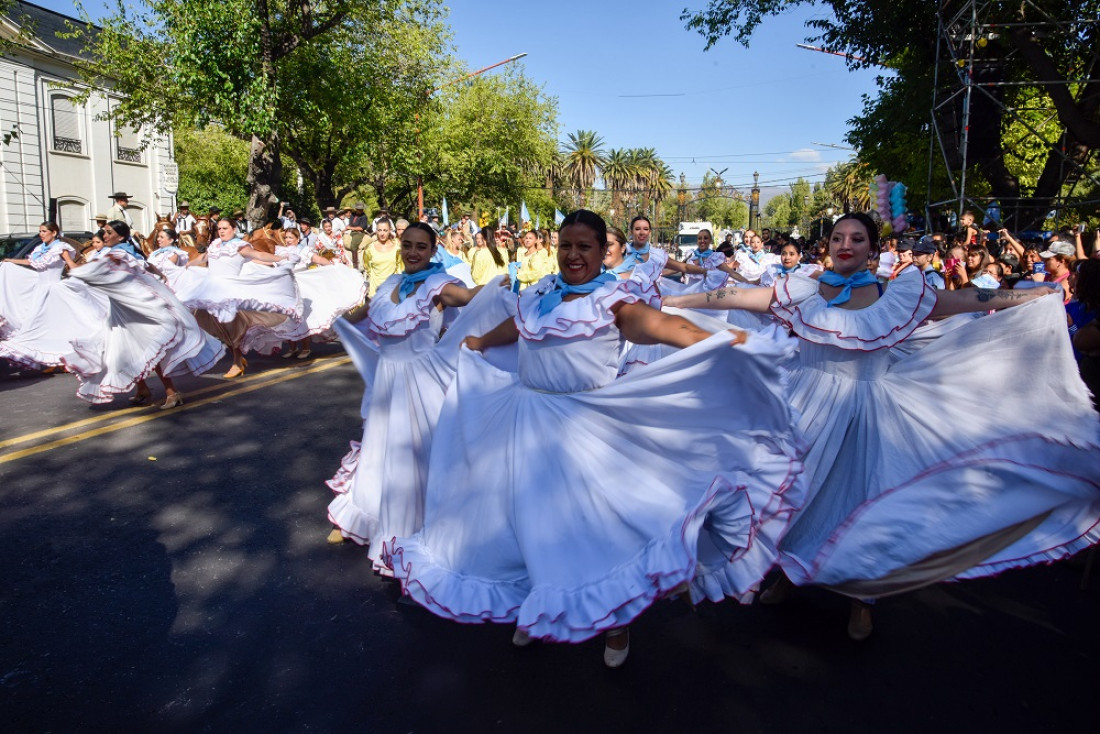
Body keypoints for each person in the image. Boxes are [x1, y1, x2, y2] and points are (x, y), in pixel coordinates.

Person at [387, 210, 805, 668]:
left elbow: (660, 326)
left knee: (596, 531)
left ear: (601, 251)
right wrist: (482, 341)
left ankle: (615, 622)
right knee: (525, 522)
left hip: (586, 427)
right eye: (566, 245)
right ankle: (537, 607)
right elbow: (521, 327)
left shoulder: (613, 297)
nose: (573, 255)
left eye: (584, 246)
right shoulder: (541, 291)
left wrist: (721, 340)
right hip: (525, 421)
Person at [663, 211, 1100, 640]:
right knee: (793, 499)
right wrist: (674, 301)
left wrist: (1027, 296)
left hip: (869, 411)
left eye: (856, 238)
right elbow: (739, 298)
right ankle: (790, 577)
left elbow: (966, 300)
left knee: (859, 503)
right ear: (829, 245)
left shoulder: (897, 295)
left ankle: (862, 599)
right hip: (805, 405)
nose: (846, 245)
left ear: (872, 249)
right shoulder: (803, 291)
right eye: (838, 238)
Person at [325, 222, 509, 571]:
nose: (412, 252)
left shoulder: (439, 285)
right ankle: (367, 518)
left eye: (421, 247)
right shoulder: (390, 283)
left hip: (419, 380)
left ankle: (410, 533)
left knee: (414, 456)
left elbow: (471, 298)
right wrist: (335, 321)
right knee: (379, 449)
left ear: (432, 249)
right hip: (387, 379)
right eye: (407, 245)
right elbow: (361, 314)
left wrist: (498, 285)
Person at [62, 223, 224, 407]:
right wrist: (159, 275)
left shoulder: (119, 254)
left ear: (121, 237)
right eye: (104, 233)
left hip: (136, 311)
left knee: (148, 349)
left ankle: (172, 392)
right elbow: (147, 266)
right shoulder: (124, 251)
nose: (105, 236)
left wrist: (69, 260)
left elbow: (92, 272)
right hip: (121, 310)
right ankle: (143, 389)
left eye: (109, 233)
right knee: (122, 350)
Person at [189, 218, 304, 378]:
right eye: (220, 228)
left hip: (229, 292)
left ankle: (236, 362)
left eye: (225, 228)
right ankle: (238, 359)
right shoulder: (215, 245)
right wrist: (186, 265)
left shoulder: (239, 247)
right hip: (211, 291)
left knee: (230, 327)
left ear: (234, 229)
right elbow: (203, 259)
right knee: (213, 324)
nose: (221, 231)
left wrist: (282, 258)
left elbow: (259, 254)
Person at [0, 222, 106, 370]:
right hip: (40, 290)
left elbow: (71, 265)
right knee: (38, 322)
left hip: (54, 289)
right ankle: (41, 353)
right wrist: (11, 261)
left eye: (44, 231)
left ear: (54, 232)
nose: (42, 234)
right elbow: (30, 262)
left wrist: (87, 274)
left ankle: (69, 351)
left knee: (57, 323)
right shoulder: (40, 248)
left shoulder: (60, 248)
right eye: (40, 231)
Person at [274, 227, 366, 359]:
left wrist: (333, 266)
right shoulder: (280, 251)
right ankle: (292, 347)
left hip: (303, 287)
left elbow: (318, 259)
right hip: (287, 288)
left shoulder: (303, 250)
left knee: (302, 318)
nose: (288, 240)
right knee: (288, 318)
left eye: (291, 238)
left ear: (297, 239)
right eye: (286, 238)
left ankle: (305, 348)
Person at [360, 219, 402, 298]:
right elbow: (367, 267)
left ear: (390, 230)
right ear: (376, 231)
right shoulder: (369, 248)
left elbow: (400, 269)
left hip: (391, 292)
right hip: (374, 293)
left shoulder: (397, 248)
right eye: (379, 230)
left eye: (385, 230)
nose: (382, 233)